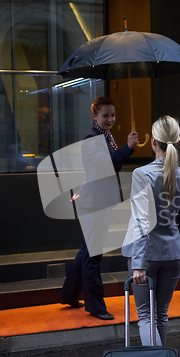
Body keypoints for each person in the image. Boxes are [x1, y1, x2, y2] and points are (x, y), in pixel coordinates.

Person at [61, 96, 138, 320]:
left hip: (98, 200)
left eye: (112, 115)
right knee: (93, 255)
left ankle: (69, 295)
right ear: (95, 115)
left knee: (88, 251)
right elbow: (106, 165)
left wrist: (128, 148)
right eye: (105, 115)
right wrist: (127, 147)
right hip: (94, 202)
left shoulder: (105, 136)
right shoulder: (92, 138)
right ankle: (95, 306)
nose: (110, 119)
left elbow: (113, 162)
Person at [122, 116, 180, 345]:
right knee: (161, 313)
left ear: (153, 142)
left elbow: (142, 221)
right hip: (174, 254)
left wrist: (139, 264)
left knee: (145, 316)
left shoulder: (142, 174)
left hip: (147, 255)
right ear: (177, 143)